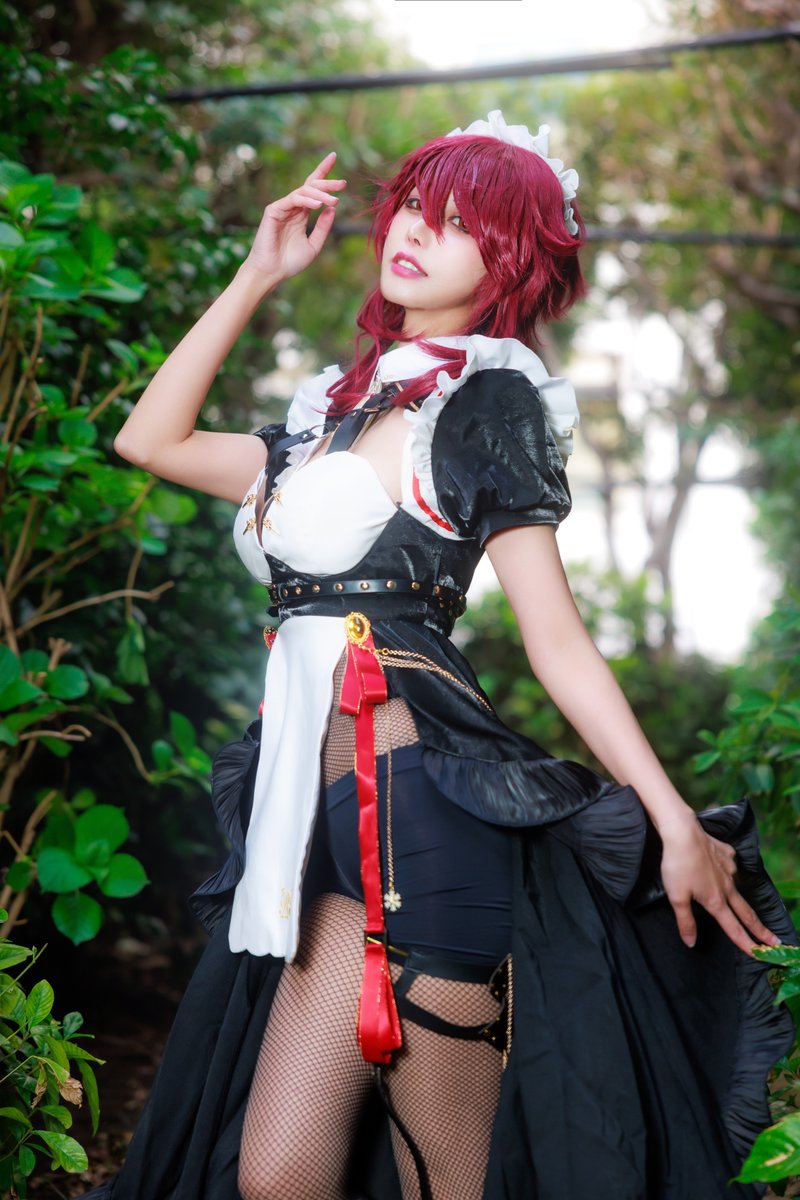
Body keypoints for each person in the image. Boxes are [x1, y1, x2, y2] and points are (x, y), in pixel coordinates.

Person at [89, 110, 797, 1200]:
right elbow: (149, 440)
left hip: (422, 814)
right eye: (415, 206)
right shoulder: (324, 420)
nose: (416, 230)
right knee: (278, 1176)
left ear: (508, 261)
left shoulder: (486, 403)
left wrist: (668, 818)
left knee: (449, 1179)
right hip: (315, 829)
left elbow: (556, 641)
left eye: (461, 223)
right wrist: (257, 273)